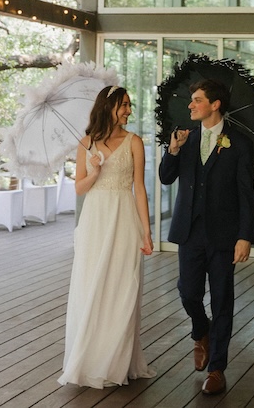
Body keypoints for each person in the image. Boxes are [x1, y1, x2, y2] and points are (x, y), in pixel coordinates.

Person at [159, 78, 254, 396]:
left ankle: (216, 369)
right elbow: (165, 177)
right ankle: (201, 331)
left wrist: (245, 236)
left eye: (197, 100)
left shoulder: (239, 143)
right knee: (188, 292)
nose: (191, 105)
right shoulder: (184, 139)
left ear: (215, 105)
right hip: (189, 232)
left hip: (224, 235)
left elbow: (246, 195)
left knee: (222, 299)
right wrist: (172, 150)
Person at [58, 84, 156, 388]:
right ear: (108, 107)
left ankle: (117, 362)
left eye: (129, 105)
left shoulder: (134, 142)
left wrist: (147, 231)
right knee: (93, 286)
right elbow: (78, 189)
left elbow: (139, 188)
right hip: (95, 220)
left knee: (123, 286)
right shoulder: (86, 143)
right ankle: (90, 360)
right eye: (123, 105)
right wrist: (95, 172)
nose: (128, 110)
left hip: (124, 217)